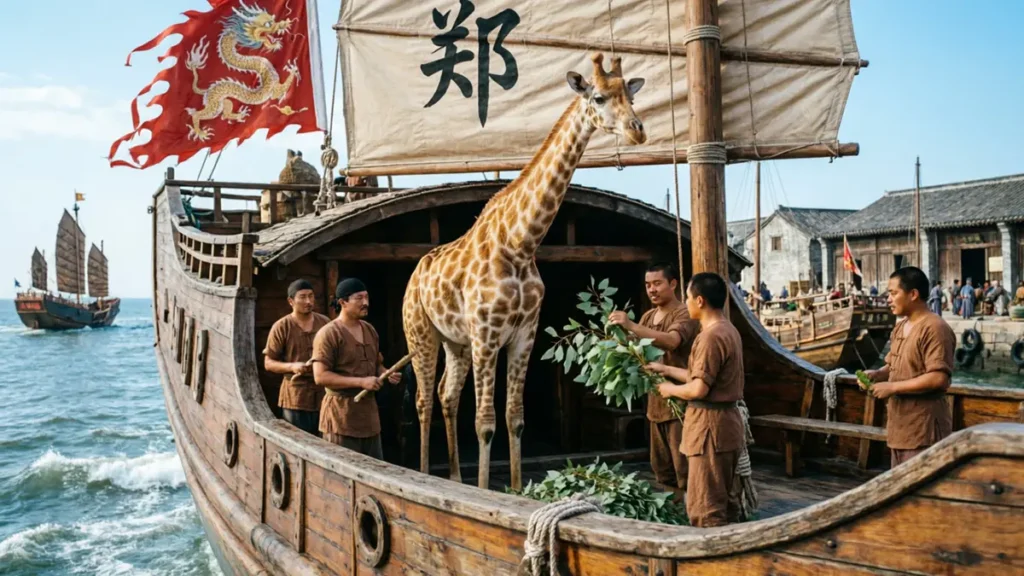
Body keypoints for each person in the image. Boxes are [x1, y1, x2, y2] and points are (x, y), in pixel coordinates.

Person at [646, 272, 745, 527]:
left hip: (709, 427)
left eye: (688, 298)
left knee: (706, 509)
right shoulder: (727, 329)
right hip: (726, 425)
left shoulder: (710, 337)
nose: (685, 303)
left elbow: (699, 388)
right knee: (727, 502)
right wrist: (666, 370)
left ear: (699, 301)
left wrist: (668, 390)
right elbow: (701, 375)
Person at [609, 263, 699, 500]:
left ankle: (694, 515)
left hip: (680, 403)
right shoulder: (648, 316)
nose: (652, 290)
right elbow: (635, 345)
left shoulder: (684, 313)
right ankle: (673, 513)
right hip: (656, 403)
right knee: (662, 468)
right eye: (648, 285)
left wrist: (631, 325)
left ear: (673, 284)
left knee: (685, 468)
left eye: (658, 283)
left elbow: (671, 341)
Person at [859, 267, 954, 467]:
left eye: (893, 293)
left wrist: (892, 387)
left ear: (913, 294)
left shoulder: (935, 328)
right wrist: (877, 374)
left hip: (924, 429)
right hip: (899, 427)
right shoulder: (900, 327)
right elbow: (892, 366)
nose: (888, 299)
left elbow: (938, 378)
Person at [312, 278, 401, 459]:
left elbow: (376, 363)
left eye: (367, 297)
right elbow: (320, 376)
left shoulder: (370, 330)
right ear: (343, 302)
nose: (366, 303)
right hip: (340, 420)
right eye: (359, 298)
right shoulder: (329, 333)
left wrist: (384, 373)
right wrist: (361, 382)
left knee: (375, 474)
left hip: (370, 421)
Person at [263, 279, 331, 436]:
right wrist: (292, 367)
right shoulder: (282, 326)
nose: (308, 301)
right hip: (295, 399)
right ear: (291, 301)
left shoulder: (325, 323)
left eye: (311, 296)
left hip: (324, 396)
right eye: (303, 297)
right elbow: (268, 363)